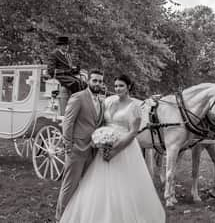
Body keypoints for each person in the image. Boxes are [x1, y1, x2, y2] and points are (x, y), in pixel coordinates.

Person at [59, 74, 166, 223]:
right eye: (115, 86)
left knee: (122, 185)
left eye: (121, 86)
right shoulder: (108, 102)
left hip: (124, 149)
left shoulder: (135, 106)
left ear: (128, 87)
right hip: (102, 148)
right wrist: (100, 141)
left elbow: (133, 132)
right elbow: (100, 123)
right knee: (96, 183)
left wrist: (115, 150)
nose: (118, 89)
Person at [55, 70, 105, 221]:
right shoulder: (78, 97)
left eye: (100, 81)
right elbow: (68, 122)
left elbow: (98, 123)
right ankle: (60, 218)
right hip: (77, 149)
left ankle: (76, 216)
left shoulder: (101, 102)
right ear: (88, 81)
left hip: (92, 150)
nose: (97, 84)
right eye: (94, 80)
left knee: (84, 186)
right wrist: (68, 146)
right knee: (69, 186)